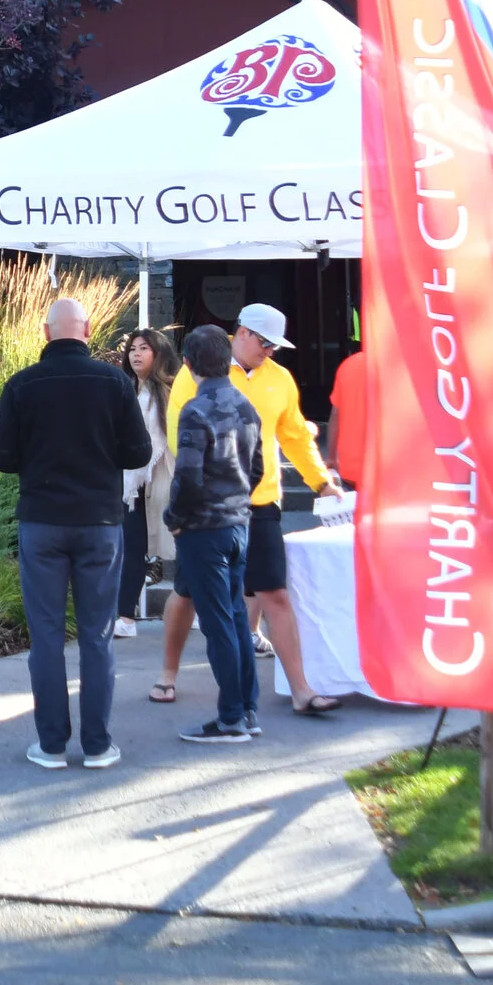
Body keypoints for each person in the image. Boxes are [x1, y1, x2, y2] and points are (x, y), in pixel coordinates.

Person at [0, 296, 153, 770]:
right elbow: (139, 453)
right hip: (99, 522)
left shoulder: (21, 385)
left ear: (45, 332)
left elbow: (2, 459)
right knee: (97, 635)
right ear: (88, 329)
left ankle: (52, 744)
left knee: (46, 636)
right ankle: (98, 744)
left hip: (42, 521)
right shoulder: (115, 382)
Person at [152, 303, 342, 720]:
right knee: (186, 593)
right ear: (242, 334)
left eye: (275, 345)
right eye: (266, 343)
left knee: (274, 592)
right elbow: (179, 437)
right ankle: (168, 673)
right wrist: (185, 511)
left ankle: (302, 690)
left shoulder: (280, 379)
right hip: (208, 509)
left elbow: (295, 435)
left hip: (260, 504)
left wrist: (320, 481)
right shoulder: (198, 370)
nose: (270, 351)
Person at [165, 326, 264, 743]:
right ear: (227, 360)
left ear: (188, 364)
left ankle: (230, 718)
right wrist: (236, 501)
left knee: (218, 623)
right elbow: (257, 468)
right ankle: (247, 709)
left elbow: (188, 476)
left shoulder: (195, 410)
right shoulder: (246, 405)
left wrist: (175, 517)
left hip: (203, 530)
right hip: (238, 524)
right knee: (237, 618)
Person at [114, 327, 180, 637]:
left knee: (180, 546)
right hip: (132, 480)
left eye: (143, 348)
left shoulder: (172, 390)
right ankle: (125, 616)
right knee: (131, 546)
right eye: (132, 349)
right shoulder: (124, 389)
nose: (136, 354)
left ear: (159, 353)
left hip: (165, 472)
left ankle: (193, 607)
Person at [326, 343, 367, 491]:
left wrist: (331, 457)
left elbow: (335, 415)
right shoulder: (400, 368)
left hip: (350, 469)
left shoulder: (348, 365)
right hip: (388, 470)